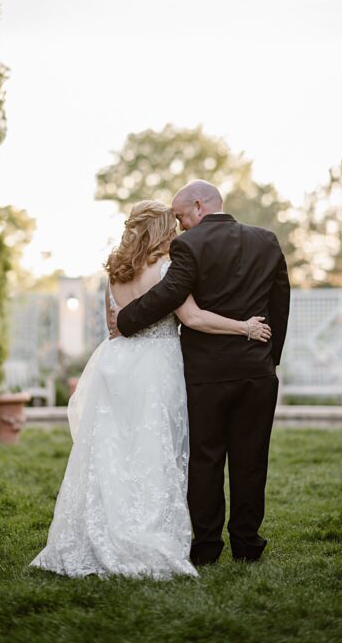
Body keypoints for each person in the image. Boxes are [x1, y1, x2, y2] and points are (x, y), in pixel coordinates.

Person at [31, 199, 272, 579]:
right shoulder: (167, 268)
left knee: (114, 454)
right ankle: (148, 535)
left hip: (116, 363)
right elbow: (192, 318)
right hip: (157, 366)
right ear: (161, 230)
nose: (178, 232)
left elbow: (114, 323)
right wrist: (244, 327)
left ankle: (103, 530)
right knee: (156, 451)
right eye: (172, 226)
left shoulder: (114, 271)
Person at [114, 181, 290, 565]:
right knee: (251, 460)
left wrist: (125, 321)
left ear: (198, 206)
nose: (178, 226)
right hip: (256, 371)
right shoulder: (267, 240)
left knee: (206, 460)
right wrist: (269, 359)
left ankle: (207, 547)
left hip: (205, 373)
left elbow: (170, 294)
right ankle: (247, 546)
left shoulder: (188, 247)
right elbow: (280, 302)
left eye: (179, 216)